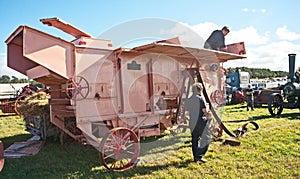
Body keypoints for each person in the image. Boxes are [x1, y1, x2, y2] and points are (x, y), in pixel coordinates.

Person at [185, 83, 211, 163]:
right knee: (207, 138)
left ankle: (195, 157)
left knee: (195, 139)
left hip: (192, 121)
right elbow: (204, 111)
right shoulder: (200, 98)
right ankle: (199, 155)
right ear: (200, 90)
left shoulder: (189, 99)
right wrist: (208, 115)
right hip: (200, 121)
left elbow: (187, 112)